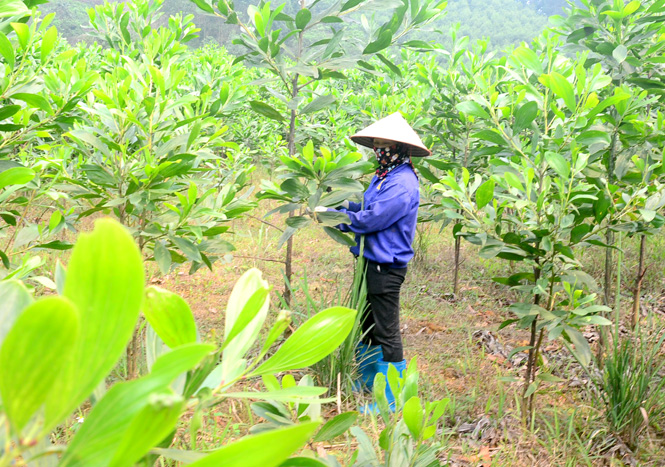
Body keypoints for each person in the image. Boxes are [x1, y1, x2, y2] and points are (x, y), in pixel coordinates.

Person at [316, 112, 430, 412]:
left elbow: (373, 219)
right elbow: (366, 206)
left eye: (386, 144)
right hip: (369, 262)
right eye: (377, 143)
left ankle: (390, 398)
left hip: (386, 266)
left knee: (387, 330)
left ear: (400, 148)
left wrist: (337, 218)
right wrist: (340, 204)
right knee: (367, 325)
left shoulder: (403, 183)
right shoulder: (384, 177)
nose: (380, 149)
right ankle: (368, 381)